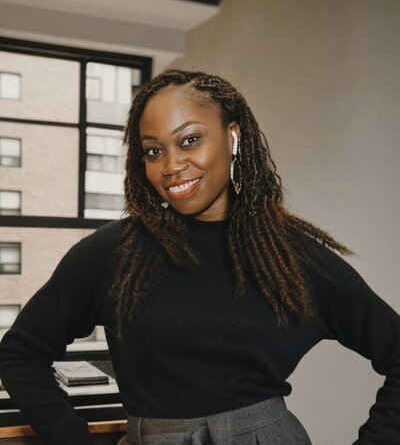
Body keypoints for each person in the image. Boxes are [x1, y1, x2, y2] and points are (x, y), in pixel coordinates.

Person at [0, 69, 399, 445]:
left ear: (233, 137)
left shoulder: (290, 256)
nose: (171, 166)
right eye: (153, 151)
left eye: (189, 140)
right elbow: (21, 354)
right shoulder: (114, 251)